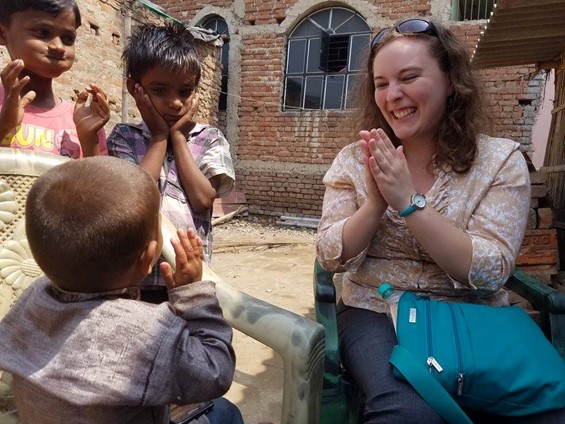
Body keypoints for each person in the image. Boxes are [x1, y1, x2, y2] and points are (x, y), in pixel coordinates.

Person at [316, 18, 565, 423]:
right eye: (381, 83)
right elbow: (329, 254)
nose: (393, 95)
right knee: (408, 412)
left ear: (451, 81)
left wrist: (409, 203)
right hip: (376, 311)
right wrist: (376, 204)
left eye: (409, 77)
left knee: (546, 407)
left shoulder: (499, 161)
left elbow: (490, 270)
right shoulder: (354, 158)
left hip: (472, 315)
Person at [0, 156, 243, 423]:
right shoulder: (149, 333)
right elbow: (214, 371)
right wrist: (194, 296)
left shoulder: (31, 298)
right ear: (148, 257)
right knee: (225, 412)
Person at [107, 22, 235, 301]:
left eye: (185, 91)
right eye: (160, 91)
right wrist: (158, 139)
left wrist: (176, 137)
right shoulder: (124, 138)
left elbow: (203, 199)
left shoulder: (210, 139)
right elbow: (132, 197)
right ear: (135, 88)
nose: (175, 103)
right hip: (135, 276)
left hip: (188, 274)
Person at [0, 0, 109, 158]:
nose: (58, 46)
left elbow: (99, 182)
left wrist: (89, 139)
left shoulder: (82, 120)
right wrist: (3, 127)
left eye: (68, 39)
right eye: (43, 33)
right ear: (3, 34)